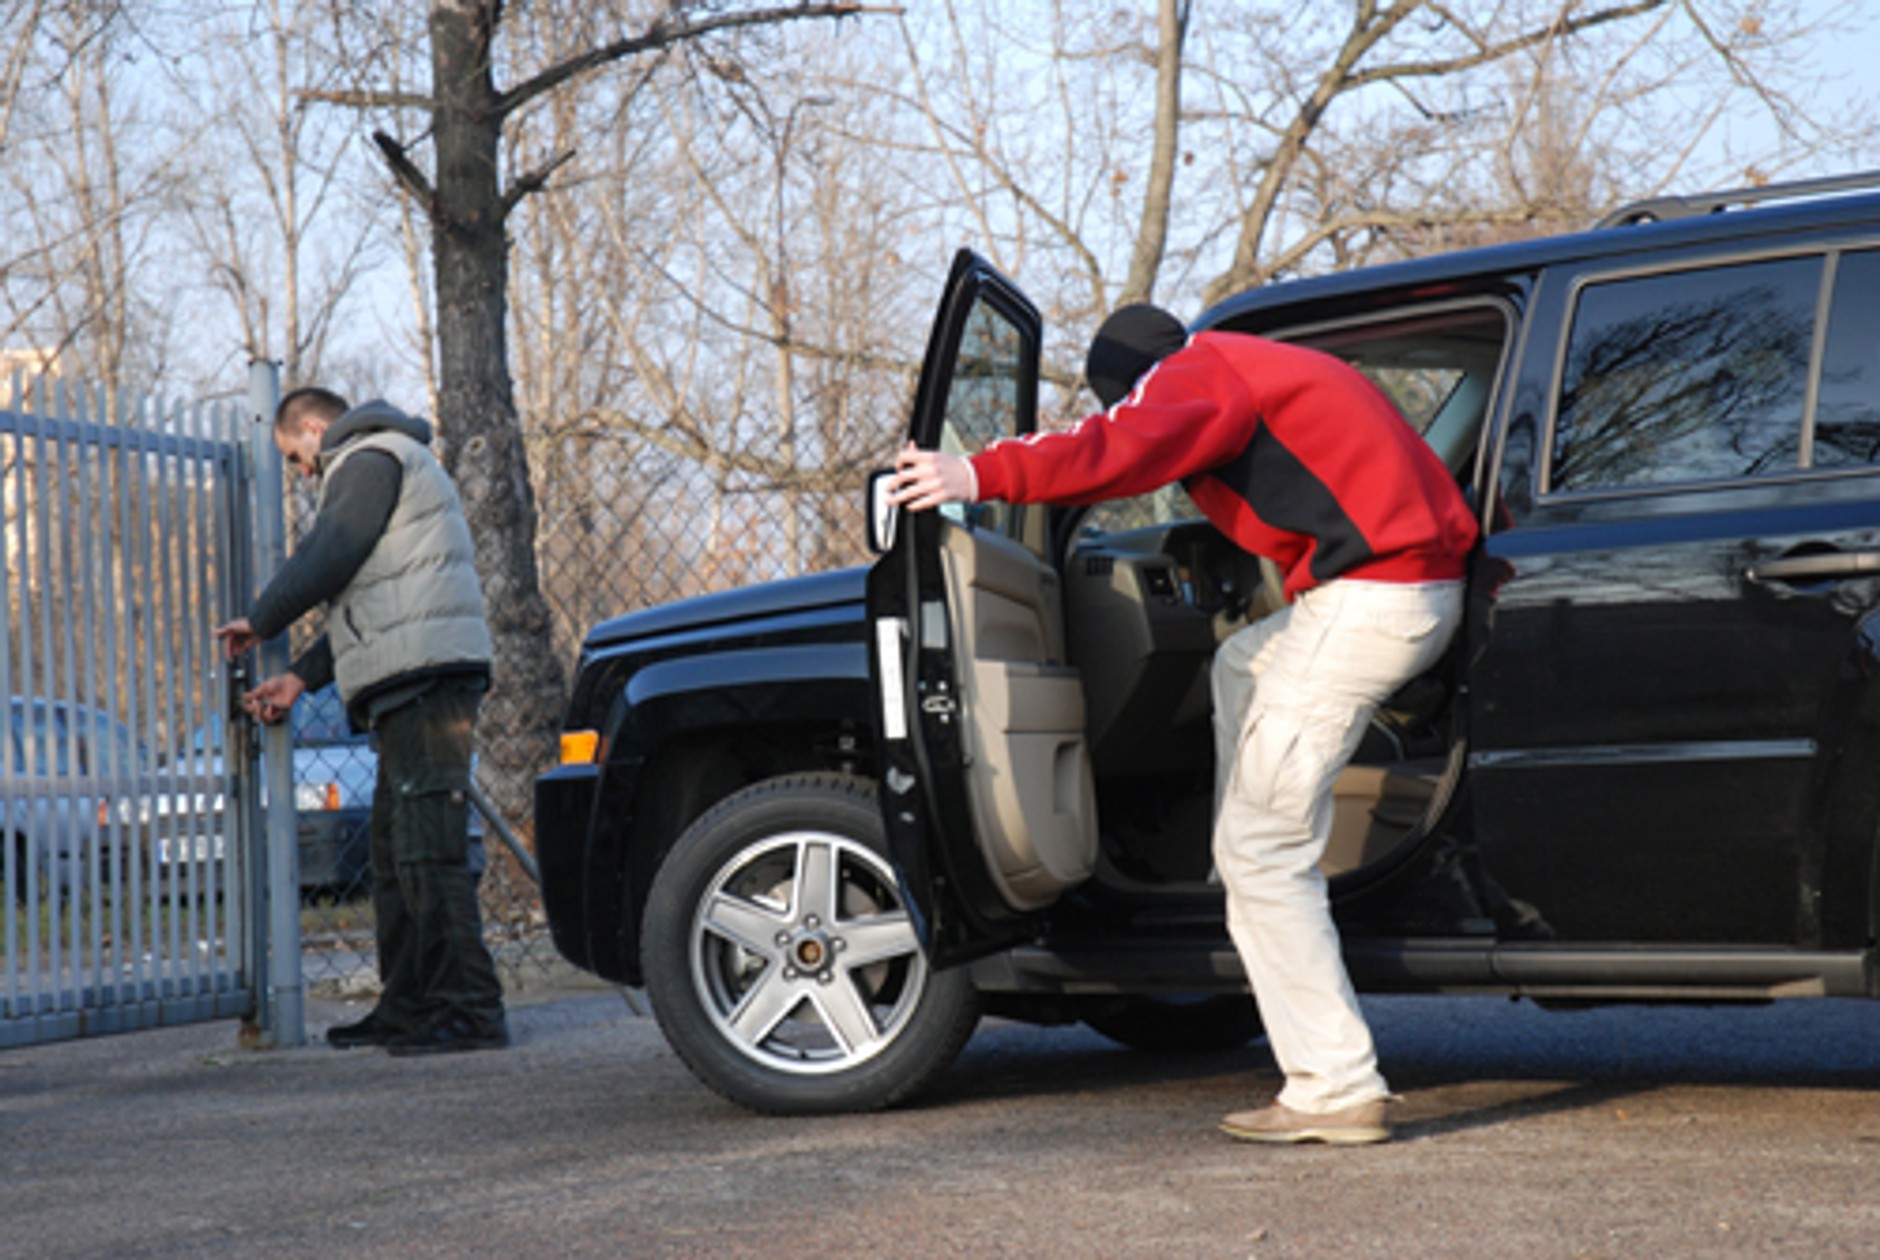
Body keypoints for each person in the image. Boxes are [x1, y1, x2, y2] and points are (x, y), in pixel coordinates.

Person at [887, 305, 1478, 1145]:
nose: (1125, 408)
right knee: (1244, 661)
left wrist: (976, 475)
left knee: (1263, 857)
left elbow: (1118, 450)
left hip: (1373, 601)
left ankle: (1334, 1085)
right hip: (1403, 592)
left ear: (1132, 377)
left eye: (1120, 396)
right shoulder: (1257, 367)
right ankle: (1241, 832)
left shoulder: (1199, 371)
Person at [214, 386, 508, 1056]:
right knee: (392, 852)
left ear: (315, 429)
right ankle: (407, 1006)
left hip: (429, 680)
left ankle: (473, 1010)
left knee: (428, 849)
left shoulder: (369, 458)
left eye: (296, 457)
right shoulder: (380, 464)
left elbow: (332, 554)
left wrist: (262, 620)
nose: (301, 474)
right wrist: (299, 678)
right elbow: (368, 598)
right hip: (411, 677)